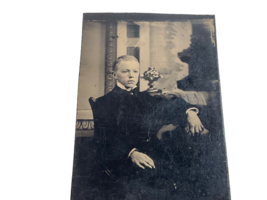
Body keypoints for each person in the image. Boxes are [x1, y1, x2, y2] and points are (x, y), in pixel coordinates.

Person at [92, 55, 208, 199]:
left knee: (186, 172)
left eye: (135, 71)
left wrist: (190, 112)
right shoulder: (103, 102)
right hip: (124, 156)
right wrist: (131, 153)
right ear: (114, 74)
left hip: (152, 150)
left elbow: (169, 105)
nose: (131, 76)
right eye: (125, 71)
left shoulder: (144, 97)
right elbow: (108, 136)